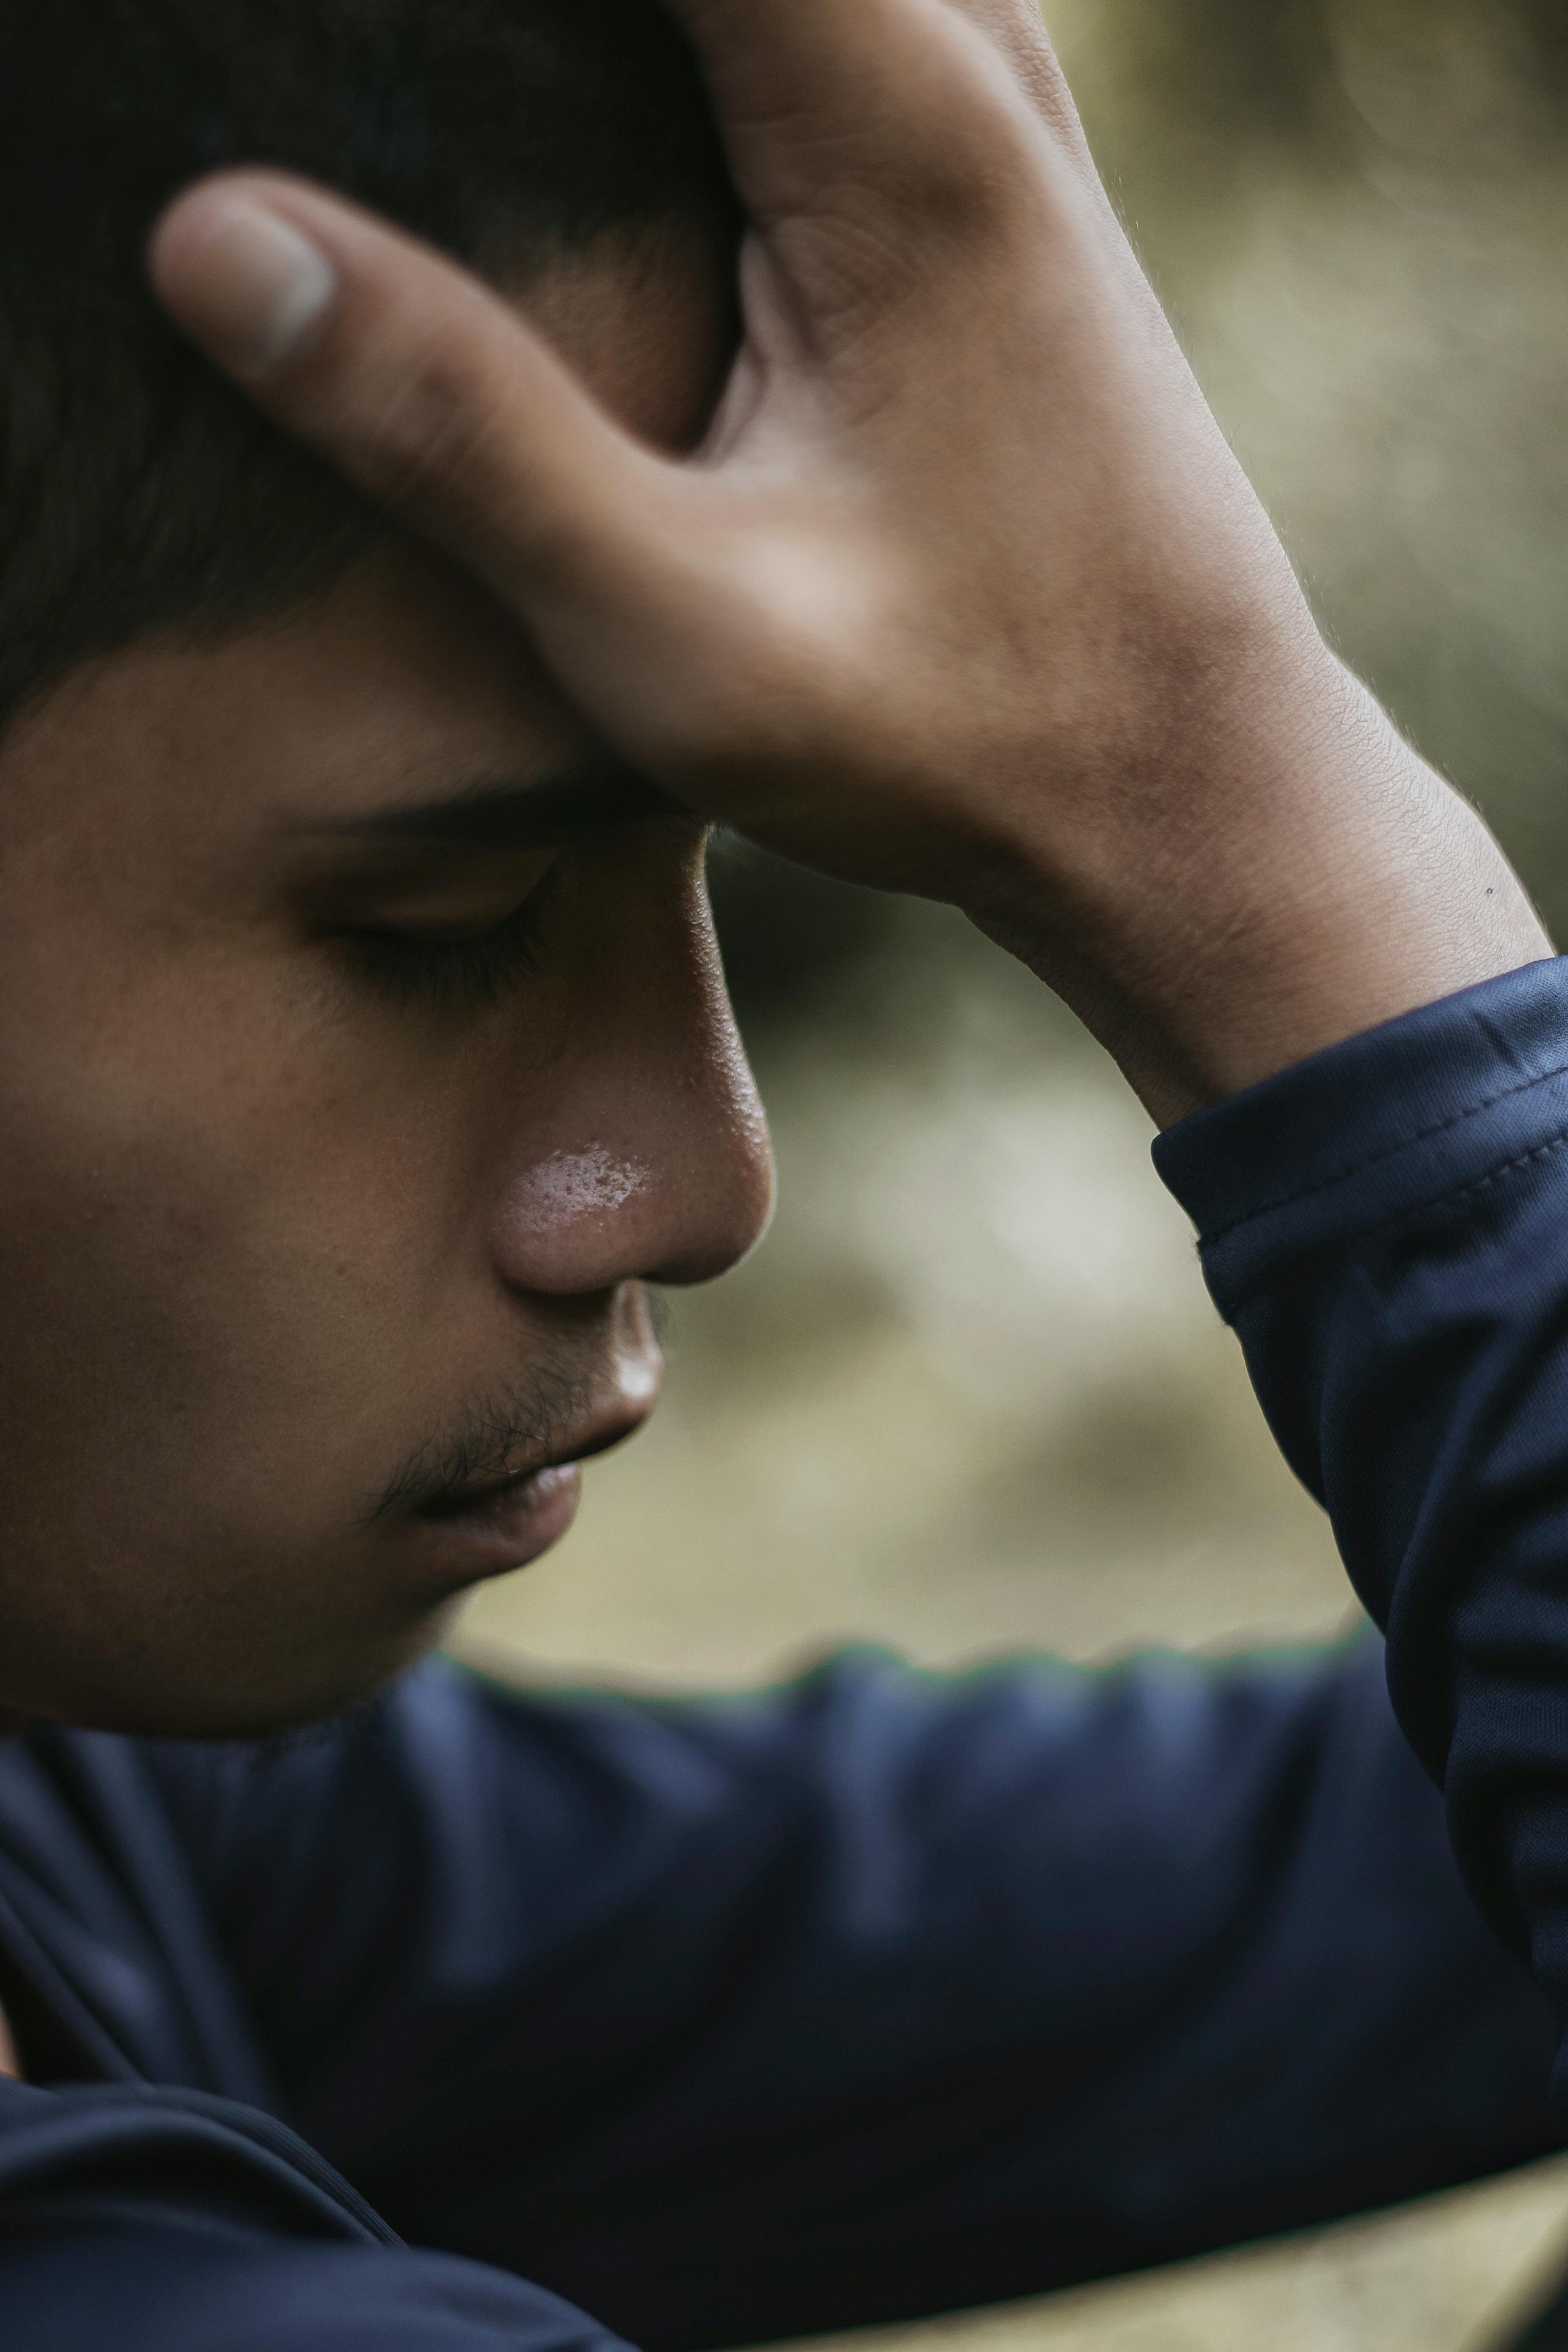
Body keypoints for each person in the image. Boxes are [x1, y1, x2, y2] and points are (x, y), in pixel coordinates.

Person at [0, 1, 1563, 2345]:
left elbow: (1316, 1891)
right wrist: (1245, 835)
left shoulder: (89, 1807)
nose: (711, 1180)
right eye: (450, 930)